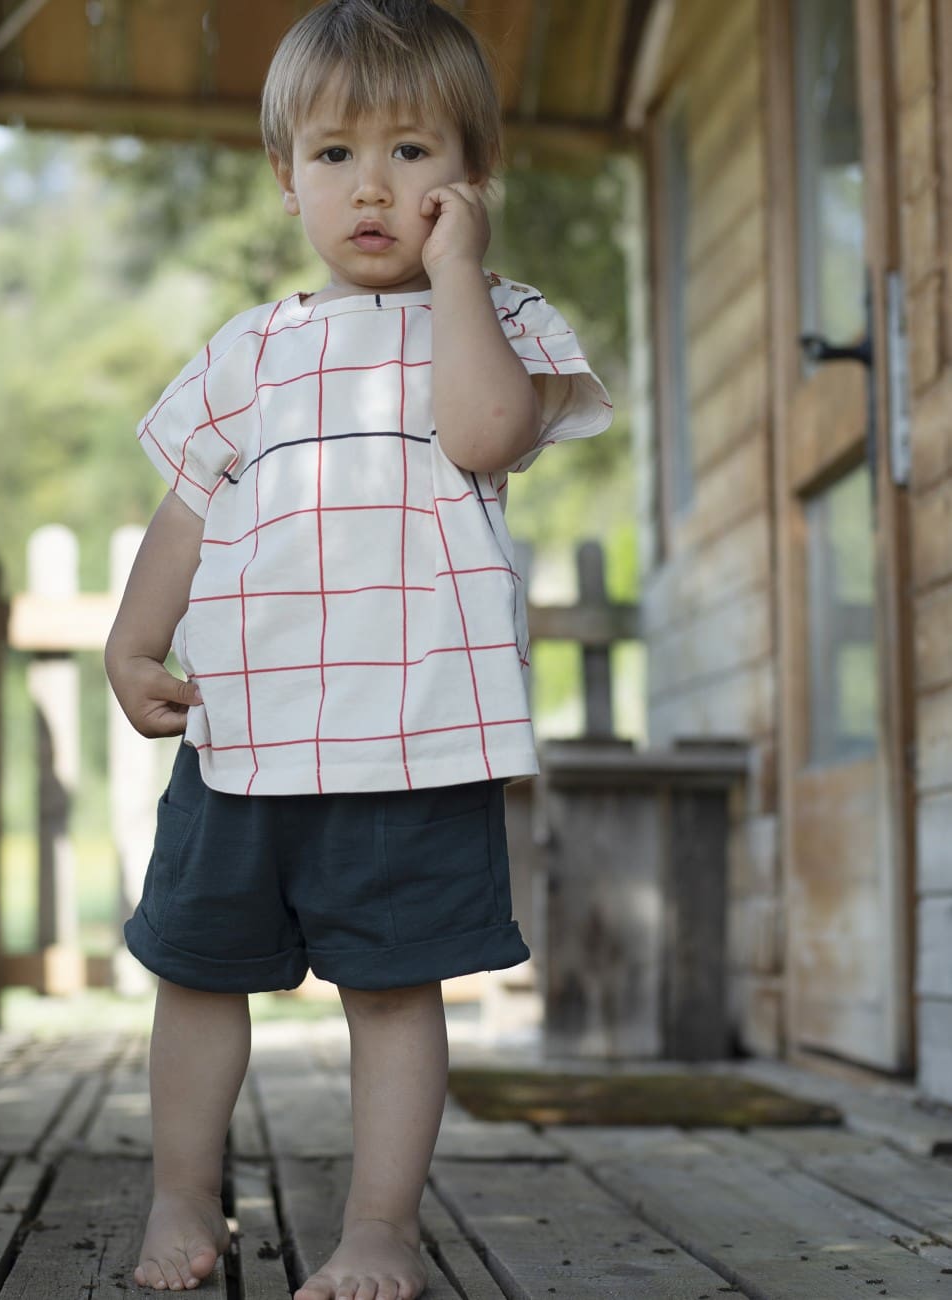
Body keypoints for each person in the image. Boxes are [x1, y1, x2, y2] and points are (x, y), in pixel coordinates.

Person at [104, 1, 613, 1296]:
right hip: (247, 729)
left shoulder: (499, 319)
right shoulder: (252, 351)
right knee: (197, 974)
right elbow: (185, 508)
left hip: (417, 736)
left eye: (411, 152)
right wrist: (133, 642)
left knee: (396, 992)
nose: (372, 186)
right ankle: (183, 1191)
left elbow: (489, 434)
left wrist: (458, 280)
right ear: (287, 180)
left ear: (471, 180)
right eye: (333, 155)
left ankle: (380, 1223)